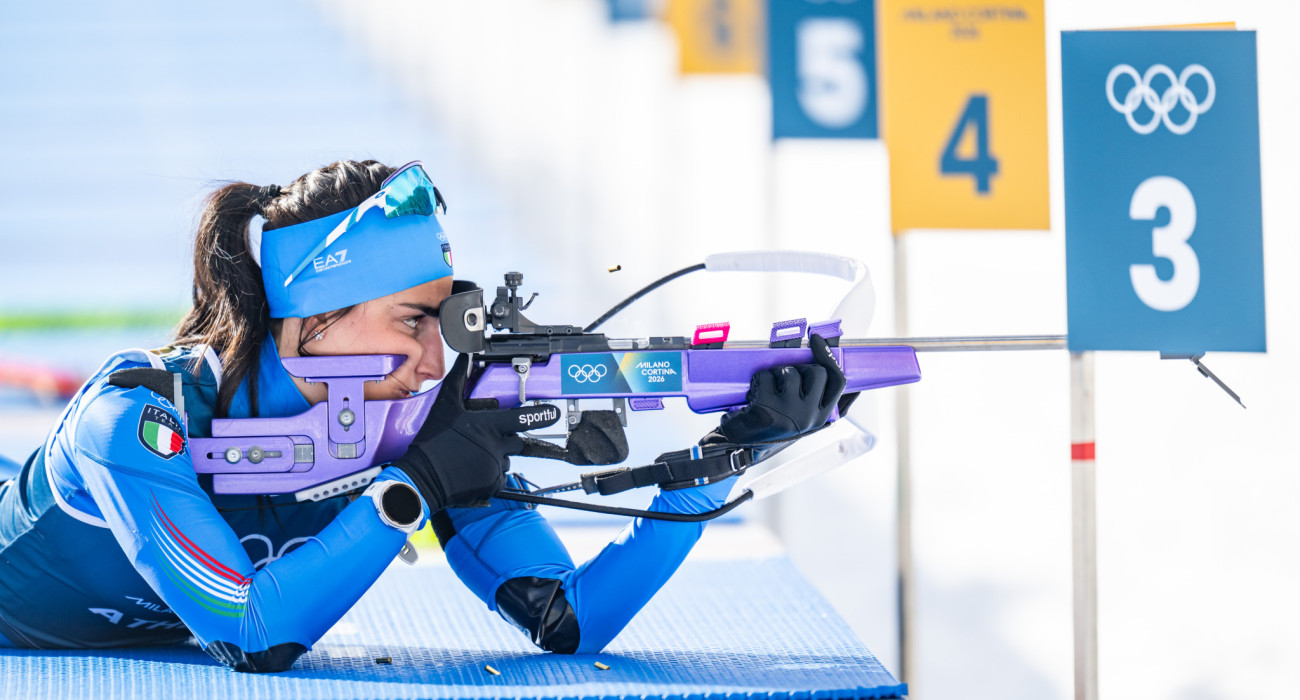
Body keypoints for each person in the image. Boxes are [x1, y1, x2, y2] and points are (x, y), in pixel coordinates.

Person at [0, 159, 847, 672]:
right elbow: (253, 633)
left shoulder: (402, 421)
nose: (436, 361)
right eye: (413, 321)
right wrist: (413, 488)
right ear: (314, 317)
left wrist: (725, 458)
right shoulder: (132, 419)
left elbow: (570, 620)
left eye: (443, 322)